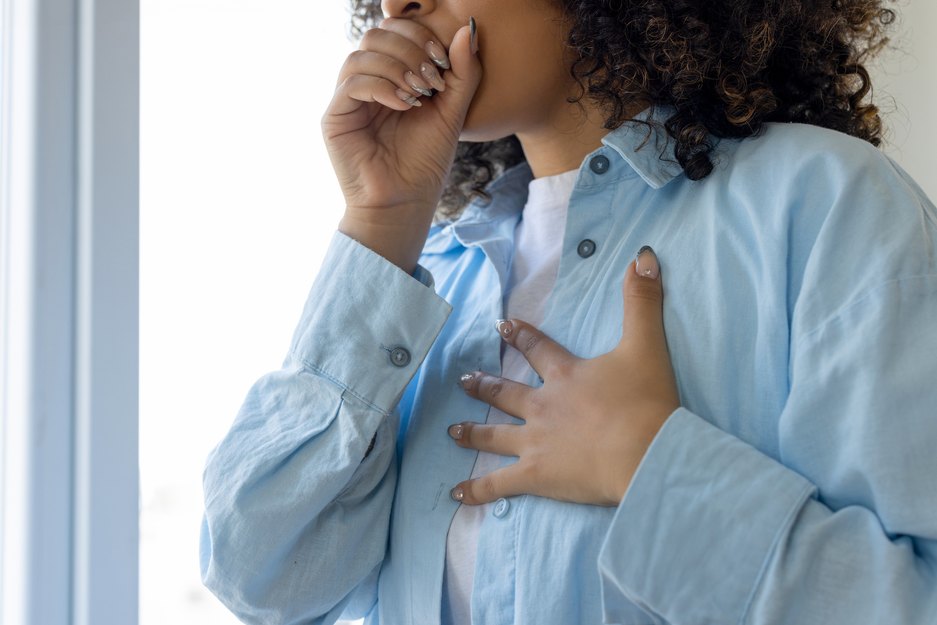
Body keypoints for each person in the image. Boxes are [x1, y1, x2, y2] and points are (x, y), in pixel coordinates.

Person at [200, 0, 937, 623]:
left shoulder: (825, 205)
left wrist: (653, 469)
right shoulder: (431, 283)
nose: (400, 6)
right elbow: (261, 576)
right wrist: (379, 218)